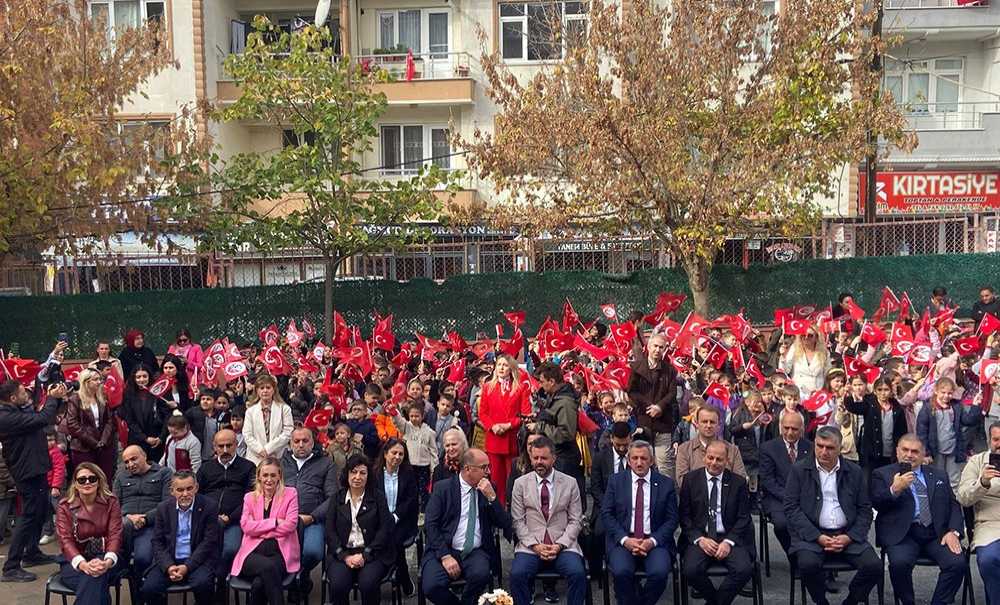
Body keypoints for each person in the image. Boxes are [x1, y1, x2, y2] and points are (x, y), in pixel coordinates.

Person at [783, 426, 881, 605]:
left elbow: (865, 510)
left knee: (874, 567)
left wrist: (849, 537)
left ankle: (850, 601)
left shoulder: (854, 472)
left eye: (830, 448)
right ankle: (821, 602)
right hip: (812, 536)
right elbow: (791, 508)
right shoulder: (799, 470)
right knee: (807, 565)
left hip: (847, 534)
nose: (823, 452)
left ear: (840, 448)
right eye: (819, 446)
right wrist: (817, 536)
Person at [870, 435, 967, 605]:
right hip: (902, 535)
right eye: (905, 450)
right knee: (899, 564)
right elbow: (876, 502)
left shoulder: (939, 474)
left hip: (936, 533)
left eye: (915, 451)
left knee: (957, 563)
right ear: (897, 452)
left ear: (923, 455)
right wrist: (894, 489)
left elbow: (953, 504)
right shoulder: (882, 474)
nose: (909, 455)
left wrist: (953, 531)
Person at [421, 448, 511, 605]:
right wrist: (445, 556)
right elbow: (431, 524)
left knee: (481, 575)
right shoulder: (443, 488)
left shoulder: (489, 488)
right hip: (444, 549)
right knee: (431, 586)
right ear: (468, 469)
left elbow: (504, 523)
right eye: (484, 467)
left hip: (475, 551)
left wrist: (492, 497)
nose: (489, 471)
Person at [509, 435, 587, 605]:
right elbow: (518, 521)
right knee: (516, 575)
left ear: (554, 458)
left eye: (544, 458)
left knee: (578, 574)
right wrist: (535, 545)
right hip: (531, 546)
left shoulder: (570, 483)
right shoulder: (520, 484)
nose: (539, 462)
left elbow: (576, 520)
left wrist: (560, 544)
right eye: (535, 458)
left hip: (563, 545)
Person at [0, 380, 65, 582]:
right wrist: (53, 398)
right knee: (28, 515)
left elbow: (36, 412)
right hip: (26, 471)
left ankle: (32, 553)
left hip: (35, 467)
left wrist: (49, 393)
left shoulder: (17, 410)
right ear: (12, 398)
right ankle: (11, 567)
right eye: (22, 392)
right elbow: (42, 419)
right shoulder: (5, 417)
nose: (26, 394)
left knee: (40, 510)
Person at [601, 440, 679, 605]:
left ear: (651, 461)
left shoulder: (666, 484)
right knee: (621, 572)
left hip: (655, 541)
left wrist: (652, 541)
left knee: (659, 573)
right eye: (634, 458)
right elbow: (607, 514)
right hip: (623, 541)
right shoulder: (615, 481)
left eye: (643, 458)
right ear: (628, 460)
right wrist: (625, 540)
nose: (639, 462)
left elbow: (672, 519)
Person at [679, 440, 754, 605]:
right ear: (704, 457)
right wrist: (700, 540)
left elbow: (744, 518)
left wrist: (728, 542)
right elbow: (684, 516)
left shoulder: (738, 482)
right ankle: (716, 601)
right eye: (710, 457)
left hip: (728, 537)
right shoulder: (691, 480)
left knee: (744, 570)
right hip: (701, 537)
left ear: (727, 460)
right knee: (690, 570)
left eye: (719, 459)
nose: (714, 463)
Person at [142, 471, 220, 605]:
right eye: (180, 490)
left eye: (189, 488)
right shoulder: (163, 508)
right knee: (150, 588)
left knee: (203, 584)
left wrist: (187, 566)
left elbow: (209, 542)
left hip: (197, 560)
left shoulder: (209, 506)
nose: (185, 494)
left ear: (196, 487)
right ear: (172, 491)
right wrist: (169, 566)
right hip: (170, 559)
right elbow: (157, 541)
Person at [325, 455, 394, 605]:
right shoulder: (337, 498)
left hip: (373, 553)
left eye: (362, 473)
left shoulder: (378, 497)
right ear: (347, 474)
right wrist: (344, 556)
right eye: (353, 472)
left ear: (368, 476)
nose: (357, 477)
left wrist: (365, 555)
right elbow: (330, 532)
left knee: (368, 585)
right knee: (338, 586)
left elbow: (384, 530)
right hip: (343, 554)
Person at [280, 427, 338, 604]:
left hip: (312, 519)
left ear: (313, 443)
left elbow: (332, 497)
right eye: (296, 441)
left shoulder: (326, 463)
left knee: (313, 552)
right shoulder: (281, 463)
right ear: (290, 444)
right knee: (278, 552)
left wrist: (312, 517)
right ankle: (293, 583)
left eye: (305, 441)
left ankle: (302, 576)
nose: (300, 445)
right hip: (283, 520)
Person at [231, 457, 300, 605]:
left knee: (258, 584)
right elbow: (246, 526)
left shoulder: (290, 494)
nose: (269, 479)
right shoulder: (249, 498)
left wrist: (259, 530)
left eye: (273, 475)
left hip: (280, 553)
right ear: (259, 477)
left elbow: (291, 525)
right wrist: (274, 522)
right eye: (265, 475)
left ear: (279, 476)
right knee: (268, 567)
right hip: (252, 553)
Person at [55, 463, 125, 605]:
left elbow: (115, 534)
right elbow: (65, 540)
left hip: (106, 557)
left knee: (94, 579)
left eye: (92, 479)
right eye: (82, 480)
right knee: (95, 581)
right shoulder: (65, 507)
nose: (87, 482)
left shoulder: (111, 502)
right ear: (75, 484)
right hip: (74, 560)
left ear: (99, 481)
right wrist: (83, 565)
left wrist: (107, 561)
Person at [195, 429, 256, 587]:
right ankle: (206, 589)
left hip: (234, 521)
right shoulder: (205, 468)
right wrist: (208, 515)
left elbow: (251, 499)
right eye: (220, 446)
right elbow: (197, 495)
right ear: (214, 447)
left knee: (229, 550)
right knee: (201, 549)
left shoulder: (248, 467)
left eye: (229, 445)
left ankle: (221, 590)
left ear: (236, 445)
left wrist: (230, 517)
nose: (225, 450)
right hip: (207, 520)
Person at [478, 354, 531, 508]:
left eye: (505, 365)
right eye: (499, 364)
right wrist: (493, 426)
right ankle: (497, 507)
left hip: (511, 439)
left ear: (511, 368)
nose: (501, 367)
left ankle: (514, 508)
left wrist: (509, 425)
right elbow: (483, 413)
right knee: (495, 478)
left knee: (512, 477)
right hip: (494, 438)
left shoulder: (520, 388)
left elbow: (525, 414)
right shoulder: (487, 387)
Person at [957, 421, 1000, 603]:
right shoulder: (977, 461)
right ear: (990, 440)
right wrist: (982, 482)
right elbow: (963, 497)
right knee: (989, 559)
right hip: (989, 525)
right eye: (997, 439)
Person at [112, 445, 171, 578]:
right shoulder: (121, 477)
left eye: (134, 459)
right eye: (126, 462)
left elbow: (168, 505)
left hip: (150, 525)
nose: (130, 464)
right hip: (124, 524)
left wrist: (145, 518)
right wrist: (127, 517)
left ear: (144, 456)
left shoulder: (163, 473)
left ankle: (142, 591)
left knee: (142, 558)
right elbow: (113, 505)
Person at [532, 361, 584, 508]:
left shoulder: (565, 402)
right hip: (558, 457)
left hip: (564, 459)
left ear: (552, 381)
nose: (541, 386)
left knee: (562, 503)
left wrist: (540, 426)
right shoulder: (556, 397)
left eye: (542, 382)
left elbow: (565, 434)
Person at [758, 411, 811, 553]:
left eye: (794, 429)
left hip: (805, 497)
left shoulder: (811, 448)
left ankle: (809, 554)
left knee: (816, 520)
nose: (790, 432)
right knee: (782, 524)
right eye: (786, 428)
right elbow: (767, 480)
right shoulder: (768, 448)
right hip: (777, 498)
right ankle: (794, 555)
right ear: (780, 427)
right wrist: (789, 496)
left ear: (802, 429)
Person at [916, 377, 982, 490]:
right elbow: (922, 432)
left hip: (953, 448)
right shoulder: (928, 408)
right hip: (936, 450)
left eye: (950, 393)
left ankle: (954, 501)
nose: (946, 396)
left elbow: (968, 420)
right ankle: (937, 502)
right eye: (943, 392)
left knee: (954, 479)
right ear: (936, 391)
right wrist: (925, 452)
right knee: (937, 477)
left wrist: (975, 405)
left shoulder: (956, 406)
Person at [626, 334, 678, 477]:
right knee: (640, 461)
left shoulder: (670, 370)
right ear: (648, 347)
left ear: (665, 349)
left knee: (664, 465)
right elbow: (631, 391)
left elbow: (672, 393)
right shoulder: (636, 367)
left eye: (661, 347)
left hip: (663, 423)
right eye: (655, 346)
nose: (657, 350)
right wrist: (649, 406)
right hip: (643, 422)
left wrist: (660, 406)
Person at [375, 438, 419, 595]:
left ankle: (397, 574)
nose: (397, 457)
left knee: (393, 539)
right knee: (383, 536)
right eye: (394, 453)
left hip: (402, 520)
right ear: (386, 454)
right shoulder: (375, 473)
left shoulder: (408, 473)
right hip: (379, 520)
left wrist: (395, 516)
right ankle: (400, 573)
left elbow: (411, 500)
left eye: (401, 454)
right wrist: (384, 518)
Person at [587, 421, 631, 573]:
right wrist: (609, 506)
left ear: (630, 439)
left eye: (625, 445)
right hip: (605, 506)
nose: (622, 449)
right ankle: (597, 570)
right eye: (618, 445)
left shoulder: (636, 457)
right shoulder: (600, 458)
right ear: (611, 439)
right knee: (599, 532)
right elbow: (595, 487)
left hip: (632, 506)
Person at [846, 377, 909, 478]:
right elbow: (853, 407)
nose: (883, 393)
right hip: (872, 454)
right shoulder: (869, 404)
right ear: (875, 391)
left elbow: (902, 431)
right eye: (880, 390)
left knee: (888, 480)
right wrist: (848, 394)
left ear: (890, 391)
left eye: (886, 390)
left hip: (890, 453)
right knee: (871, 482)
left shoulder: (897, 408)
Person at [674, 406, 747, 490]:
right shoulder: (684, 450)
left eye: (712, 422)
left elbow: (740, 480)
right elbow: (682, 482)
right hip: (696, 500)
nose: (708, 425)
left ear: (719, 425)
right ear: (696, 424)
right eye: (704, 422)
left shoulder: (732, 450)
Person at [65, 368, 118, 482]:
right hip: (83, 448)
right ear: (86, 382)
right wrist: (93, 442)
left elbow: (109, 421)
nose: (99, 382)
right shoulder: (75, 399)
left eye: (100, 379)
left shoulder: (102, 397)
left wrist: (103, 441)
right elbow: (73, 424)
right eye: (95, 379)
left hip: (104, 446)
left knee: (105, 480)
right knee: (87, 480)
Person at [244, 374, 295, 467]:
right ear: (257, 391)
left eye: (268, 387)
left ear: (274, 389)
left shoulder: (284, 409)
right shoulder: (250, 411)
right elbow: (247, 435)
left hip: (278, 456)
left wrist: (269, 449)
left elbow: (288, 431)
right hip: (255, 458)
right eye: (262, 388)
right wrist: (260, 450)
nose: (265, 391)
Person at [120, 366, 168, 462]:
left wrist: (161, 437)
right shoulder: (128, 394)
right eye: (138, 377)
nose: (142, 380)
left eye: (144, 376)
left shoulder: (158, 392)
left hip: (157, 440)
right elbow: (129, 419)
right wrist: (144, 438)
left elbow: (166, 416)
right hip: (137, 439)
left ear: (149, 377)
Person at [781, 328, 831, 399]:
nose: (806, 337)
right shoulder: (794, 349)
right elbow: (785, 370)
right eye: (803, 335)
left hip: (818, 394)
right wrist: (783, 356)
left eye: (810, 335)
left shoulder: (824, 353)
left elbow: (828, 374)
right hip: (798, 394)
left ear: (816, 337)